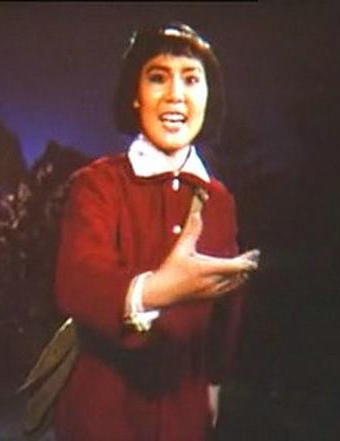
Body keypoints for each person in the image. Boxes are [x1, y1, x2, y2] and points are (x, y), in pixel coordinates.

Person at [52, 22, 260, 441]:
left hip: (184, 412)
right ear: (135, 94)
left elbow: (227, 310)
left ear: (209, 96)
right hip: (102, 413)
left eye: (191, 79)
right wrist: (156, 291)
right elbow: (76, 282)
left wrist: (214, 381)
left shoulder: (219, 199)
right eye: (158, 77)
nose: (176, 95)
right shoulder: (98, 184)